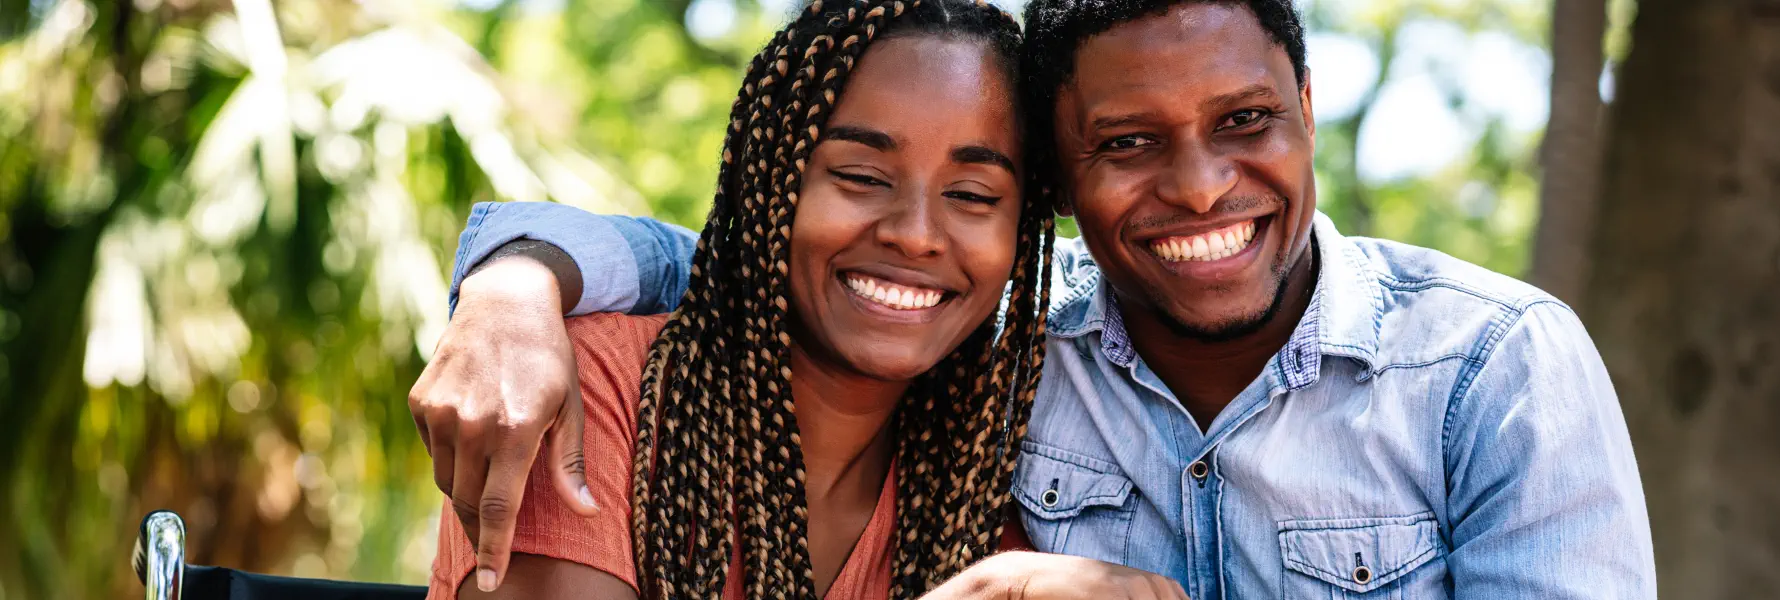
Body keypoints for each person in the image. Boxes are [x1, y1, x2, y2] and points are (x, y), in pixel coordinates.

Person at [415, 0, 1659, 597]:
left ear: (1307, 116)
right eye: (1128, 145)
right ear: (1063, 185)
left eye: (1245, 123)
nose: (1200, 185)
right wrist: (523, 279)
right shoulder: (1009, 352)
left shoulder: (1489, 367)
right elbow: (741, 264)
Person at [414, 0, 1188, 597]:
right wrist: (515, 275)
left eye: (974, 194)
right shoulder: (591, 394)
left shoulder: (984, 501)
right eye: (860, 177)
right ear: (770, 182)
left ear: (1023, 232)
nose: (916, 235)